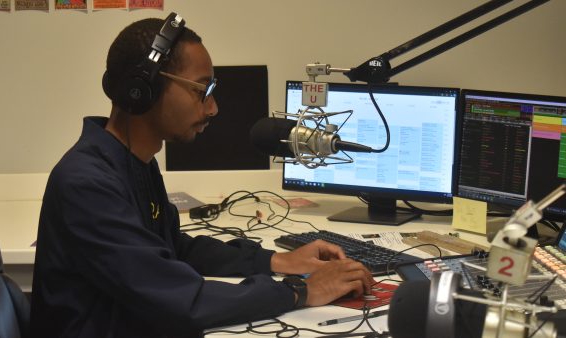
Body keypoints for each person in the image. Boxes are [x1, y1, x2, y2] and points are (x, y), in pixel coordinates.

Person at [30, 14, 374, 338]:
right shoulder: (86, 183)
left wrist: (275, 260)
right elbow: (182, 299)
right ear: (143, 89)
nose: (213, 108)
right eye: (201, 91)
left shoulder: (132, 162)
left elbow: (172, 248)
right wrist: (300, 290)